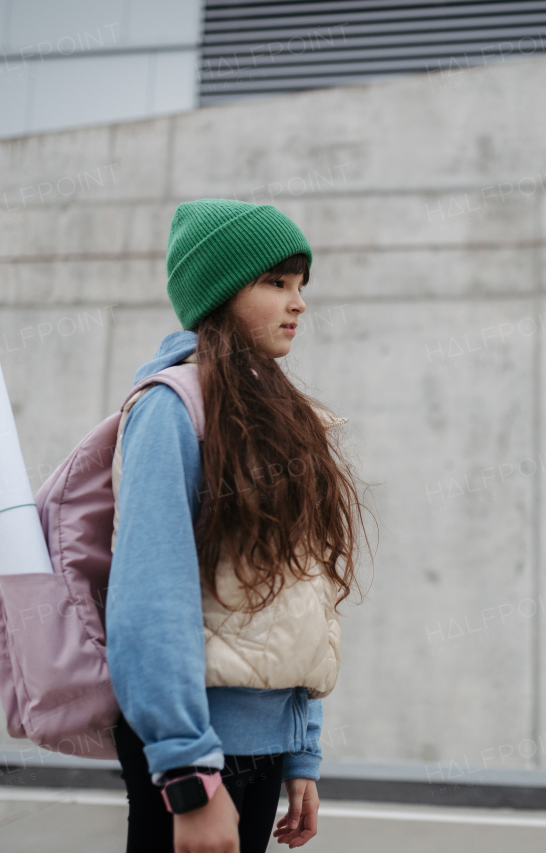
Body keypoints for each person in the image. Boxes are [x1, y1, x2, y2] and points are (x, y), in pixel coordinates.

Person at [105, 199, 372, 853]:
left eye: (301, 284)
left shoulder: (286, 417)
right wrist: (189, 776)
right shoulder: (172, 410)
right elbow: (149, 601)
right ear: (220, 294)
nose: (298, 302)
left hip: (265, 748)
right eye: (276, 282)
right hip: (194, 748)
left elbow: (303, 596)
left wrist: (301, 749)